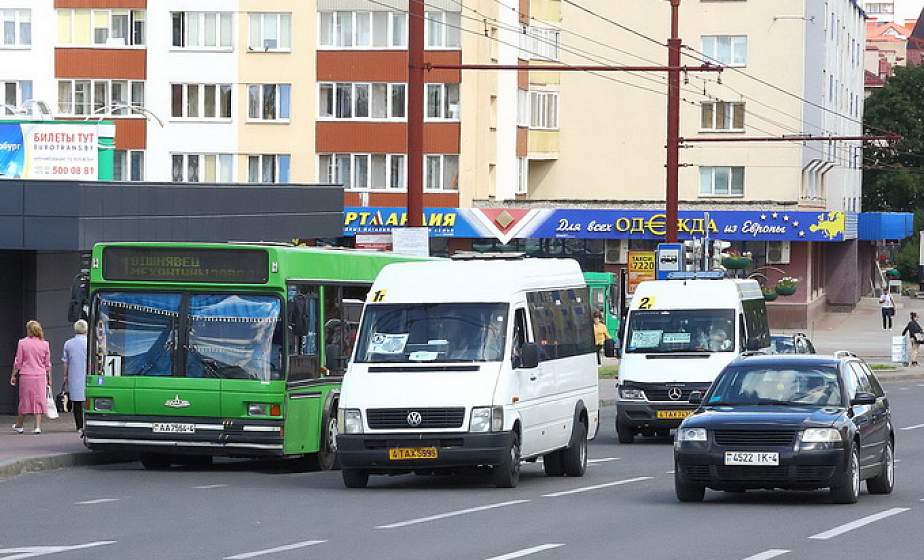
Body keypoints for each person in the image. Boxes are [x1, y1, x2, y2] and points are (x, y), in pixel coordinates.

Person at [10, 320, 52, 434]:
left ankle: (19, 425)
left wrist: (13, 375)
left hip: (26, 375)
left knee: (24, 400)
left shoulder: (22, 343)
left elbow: (18, 361)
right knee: (39, 400)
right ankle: (37, 426)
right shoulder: (45, 344)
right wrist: (49, 378)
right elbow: (47, 364)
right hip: (40, 375)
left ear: (29, 330)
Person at [62, 320, 88, 434]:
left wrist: (65, 375)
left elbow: (65, 362)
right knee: (89, 400)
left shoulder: (68, 343)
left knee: (77, 402)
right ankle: (89, 424)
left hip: (74, 374)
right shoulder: (90, 342)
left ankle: (79, 426)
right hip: (88, 374)